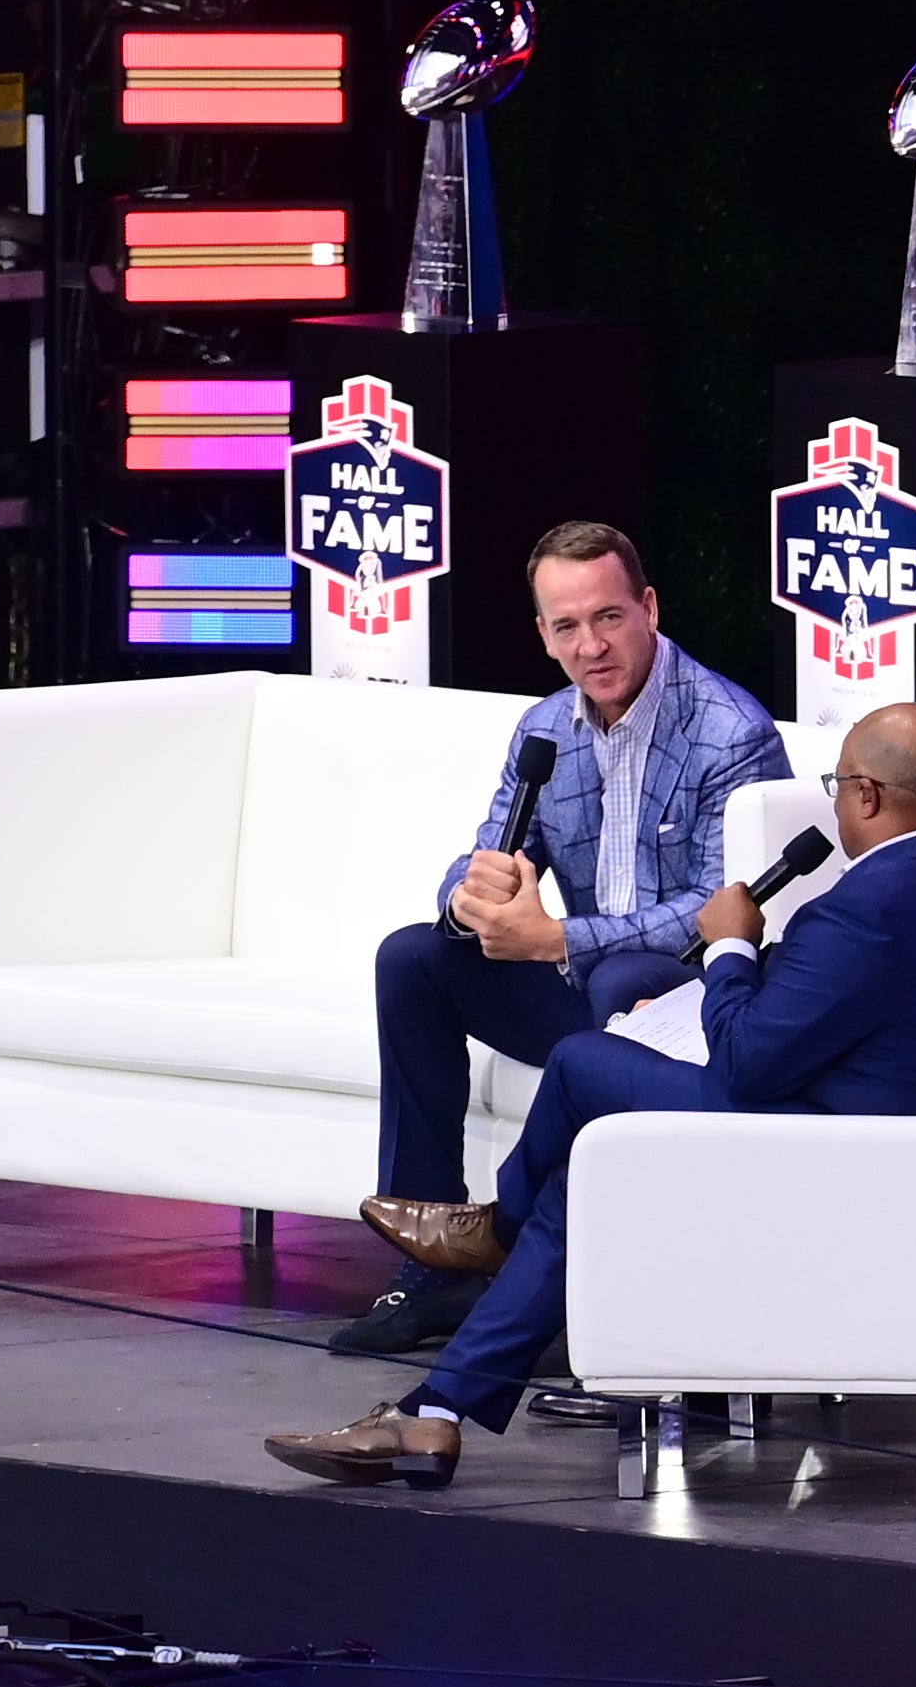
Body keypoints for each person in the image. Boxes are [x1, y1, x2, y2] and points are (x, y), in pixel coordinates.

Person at [265, 703, 916, 1488]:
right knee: (587, 1177)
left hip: (815, 1144)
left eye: (837, 785)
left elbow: (747, 1068)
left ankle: (496, 1232)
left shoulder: (867, 907)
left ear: (866, 795)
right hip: (865, 1118)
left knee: (581, 1062)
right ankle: (437, 1412)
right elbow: (833, 1014)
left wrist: (732, 944)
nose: (835, 801)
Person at [332, 521, 792, 1358]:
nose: (593, 645)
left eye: (609, 617)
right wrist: (476, 904)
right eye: (568, 626)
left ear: (648, 608)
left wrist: (558, 939)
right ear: (543, 635)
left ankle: (573, 1284)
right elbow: (489, 848)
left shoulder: (731, 732)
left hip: (676, 997)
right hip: (571, 979)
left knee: (623, 983)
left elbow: (724, 903)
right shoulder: (545, 730)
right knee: (413, 959)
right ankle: (432, 1270)